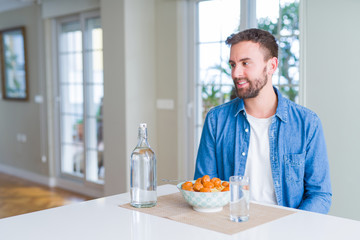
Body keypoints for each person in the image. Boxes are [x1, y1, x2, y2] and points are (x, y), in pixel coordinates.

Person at [194, 28, 332, 214]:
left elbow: (319, 195)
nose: (236, 73)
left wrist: (292, 228)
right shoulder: (216, 120)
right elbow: (204, 187)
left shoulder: (307, 123)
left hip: (287, 229)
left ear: (272, 66)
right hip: (231, 225)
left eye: (245, 63)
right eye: (233, 64)